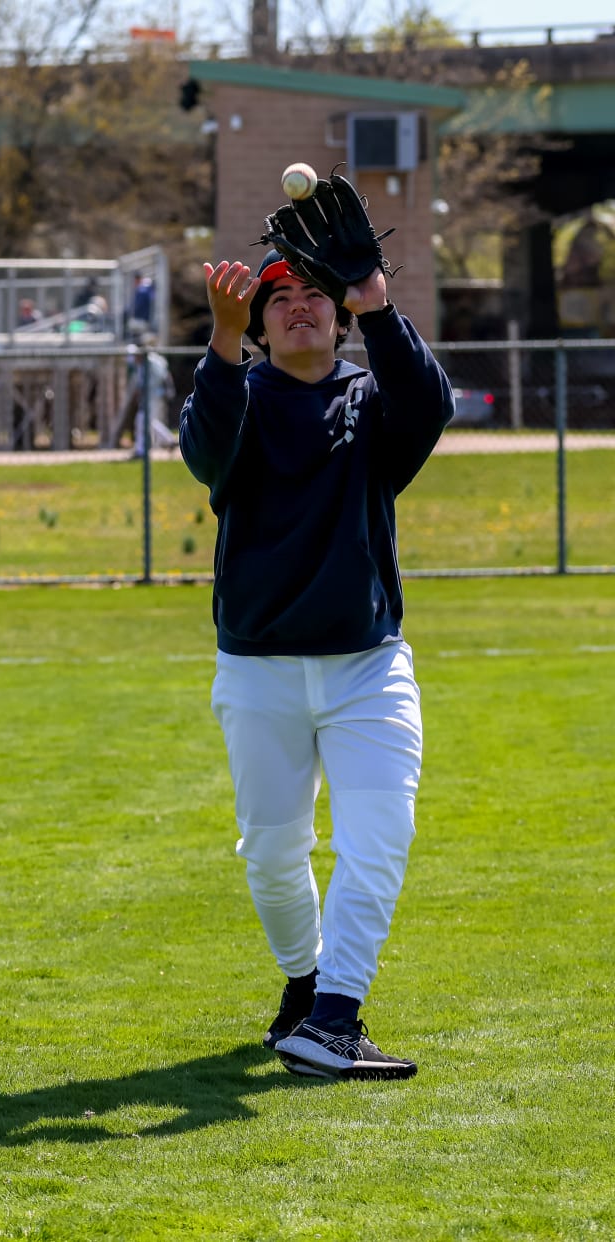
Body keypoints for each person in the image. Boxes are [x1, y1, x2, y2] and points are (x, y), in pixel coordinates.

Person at [181, 250, 452, 1080]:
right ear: (258, 326)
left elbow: (431, 405)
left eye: (315, 297)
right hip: (260, 667)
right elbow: (205, 453)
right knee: (271, 851)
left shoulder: (376, 403)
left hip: (367, 667)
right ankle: (304, 993)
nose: (299, 307)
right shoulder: (243, 398)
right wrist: (222, 345)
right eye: (278, 299)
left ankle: (336, 1018)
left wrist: (379, 304)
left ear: (338, 320)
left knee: (380, 837)